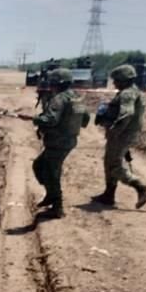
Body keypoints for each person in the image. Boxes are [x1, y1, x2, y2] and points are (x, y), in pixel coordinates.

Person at [19, 68, 89, 218]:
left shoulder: (59, 99)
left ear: (57, 83)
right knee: (39, 166)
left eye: (53, 82)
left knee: (52, 172)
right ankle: (51, 196)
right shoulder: (77, 97)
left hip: (58, 142)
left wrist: (33, 118)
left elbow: (50, 120)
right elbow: (85, 120)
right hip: (68, 140)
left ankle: (57, 207)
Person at [92, 64, 146, 209]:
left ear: (124, 80)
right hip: (125, 133)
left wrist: (115, 130)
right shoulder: (132, 92)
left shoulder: (127, 93)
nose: (114, 83)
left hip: (122, 134)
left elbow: (127, 113)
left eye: (116, 80)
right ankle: (109, 194)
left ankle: (142, 188)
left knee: (114, 165)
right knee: (110, 162)